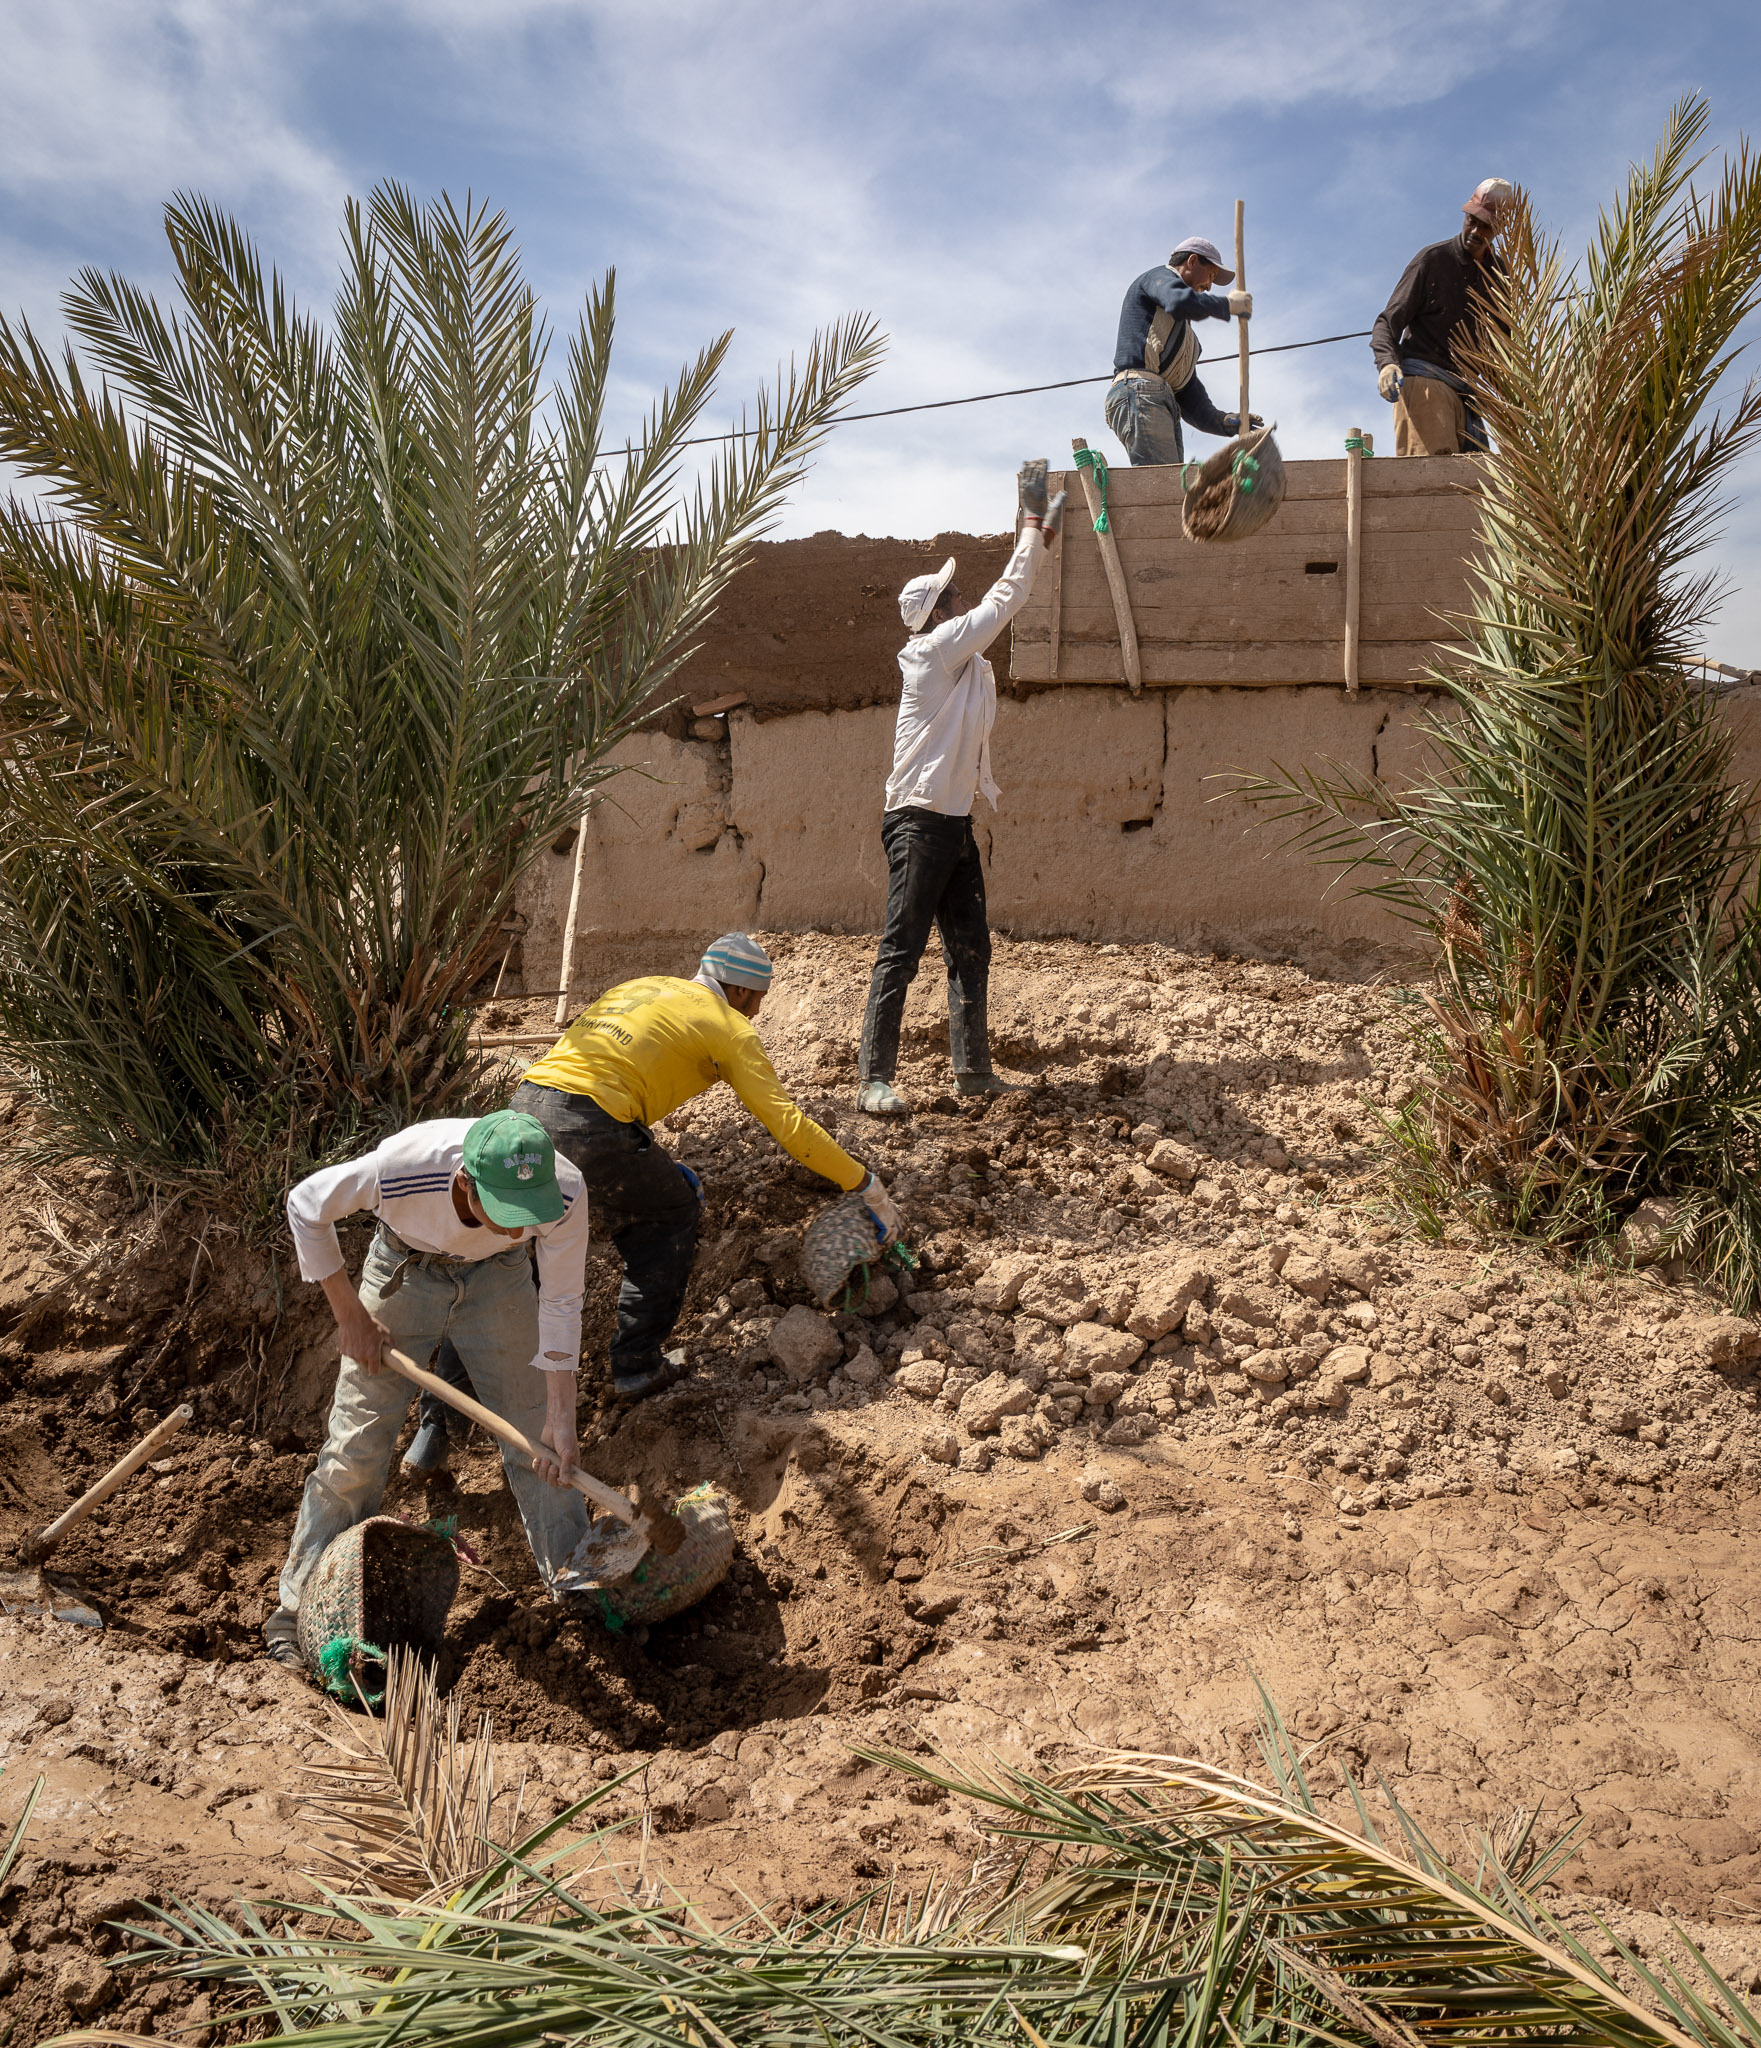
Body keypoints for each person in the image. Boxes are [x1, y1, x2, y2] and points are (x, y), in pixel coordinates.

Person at [264, 1110, 589, 1670]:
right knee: (356, 1448)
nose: (519, 1228)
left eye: (526, 1214)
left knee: (544, 1445)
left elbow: (560, 1301)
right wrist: (350, 1316)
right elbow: (306, 1204)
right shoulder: (402, 1168)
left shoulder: (562, 1189)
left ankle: (579, 1587)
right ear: (466, 1182)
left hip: (499, 1279)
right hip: (405, 1270)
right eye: (506, 1213)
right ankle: (296, 1610)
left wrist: (560, 1411)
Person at [513, 934, 899, 1401]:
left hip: (525, 1110)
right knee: (670, 1215)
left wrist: (654, 1166)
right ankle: (636, 1366)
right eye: (755, 1001)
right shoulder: (727, 1025)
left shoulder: (641, 987)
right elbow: (789, 1126)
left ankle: (462, 1399)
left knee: (518, 1246)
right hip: (591, 1127)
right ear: (740, 992)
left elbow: (601, 1074)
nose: (755, 1012)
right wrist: (865, 1184)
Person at [854, 466, 1064, 1118]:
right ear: (938, 615)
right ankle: (872, 1080)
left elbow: (1005, 599)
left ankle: (972, 1072)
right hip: (917, 821)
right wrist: (1029, 529)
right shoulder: (934, 651)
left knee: (970, 948)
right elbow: (1005, 598)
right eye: (953, 596)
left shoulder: (960, 661)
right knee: (900, 948)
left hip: (950, 822)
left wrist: (1040, 540)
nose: (962, 599)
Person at [1371, 178, 1514, 455]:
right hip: (1425, 382)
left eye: (1485, 225)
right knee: (1433, 483)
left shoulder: (1500, 275)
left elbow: (1503, 346)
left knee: (1474, 489)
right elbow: (1386, 322)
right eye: (1472, 220)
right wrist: (1387, 365)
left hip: (1467, 394)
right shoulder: (1433, 260)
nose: (1475, 230)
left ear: (1500, 229)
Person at [1106, 234, 1259, 466]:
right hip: (1139, 391)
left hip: (1157, 396)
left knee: (1172, 488)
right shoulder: (1160, 278)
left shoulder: (1179, 335)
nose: (1209, 286)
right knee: (1164, 488)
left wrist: (1225, 421)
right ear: (1192, 261)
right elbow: (1179, 301)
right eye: (1211, 275)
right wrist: (1227, 305)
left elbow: (1190, 395)